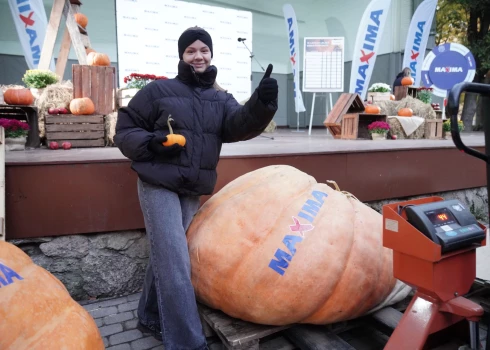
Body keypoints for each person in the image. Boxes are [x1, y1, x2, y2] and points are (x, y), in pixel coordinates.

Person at [114, 26, 278, 350]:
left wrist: (262, 103)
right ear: (182, 56)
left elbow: (239, 124)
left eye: (204, 50)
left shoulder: (221, 99)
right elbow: (125, 128)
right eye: (191, 50)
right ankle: (188, 343)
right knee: (175, 260)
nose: (198, 55)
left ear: (211, 55)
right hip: (157, 184)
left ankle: (149, 317)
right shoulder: (159, 91)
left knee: (168, 255)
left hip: (191, 188)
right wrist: (153, 143)